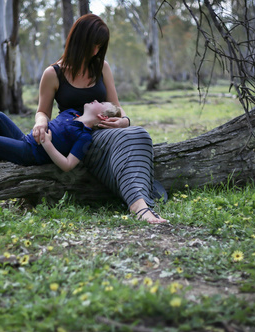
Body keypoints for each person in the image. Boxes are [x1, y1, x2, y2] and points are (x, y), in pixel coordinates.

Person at [32, 13, 168, 224]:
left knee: (139, 133)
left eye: (100, 46)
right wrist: (41, 122)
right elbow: (42, 111)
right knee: (127, 139)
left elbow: (117, 108)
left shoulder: (101, 67)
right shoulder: (53, 73)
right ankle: (140, 207)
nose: (96, 51)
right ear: (79, 41)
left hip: (108, 133)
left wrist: (125, 121)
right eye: (93, 45)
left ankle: (138, 198)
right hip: (79, 139)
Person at [0, 100, 121, 172]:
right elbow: (43, 115)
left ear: (101, 115)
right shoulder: (71, 113)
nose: (95, 99)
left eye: (99, 102)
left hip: (32, 153)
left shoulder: (85, 136)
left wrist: (48, 144)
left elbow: (68, 165)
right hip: (26, 139)